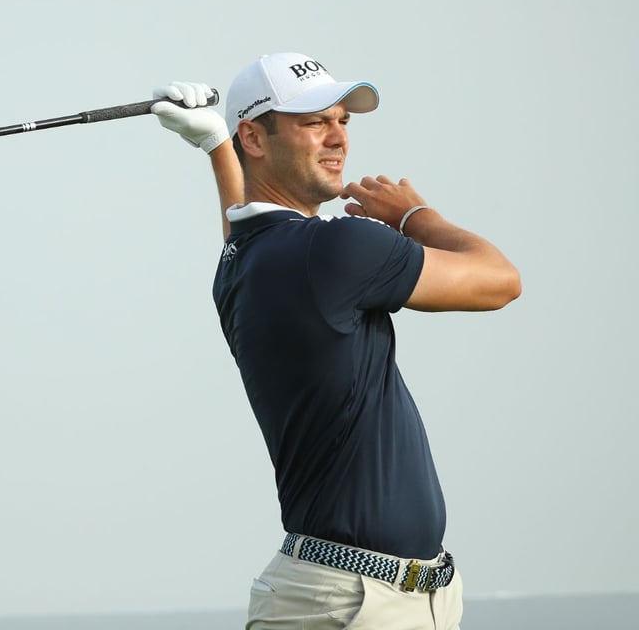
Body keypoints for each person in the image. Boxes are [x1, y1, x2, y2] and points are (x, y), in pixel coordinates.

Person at [149, 52, 521, 630]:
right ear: (256, 136)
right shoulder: (337, 248)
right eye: (313, 122)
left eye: (342, 121)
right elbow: (500, 281)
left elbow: (245, 225)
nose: (338, 137)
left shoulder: (243, 263)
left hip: (379, 597)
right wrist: (414, 215)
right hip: (350, 603)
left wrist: (217, 147)